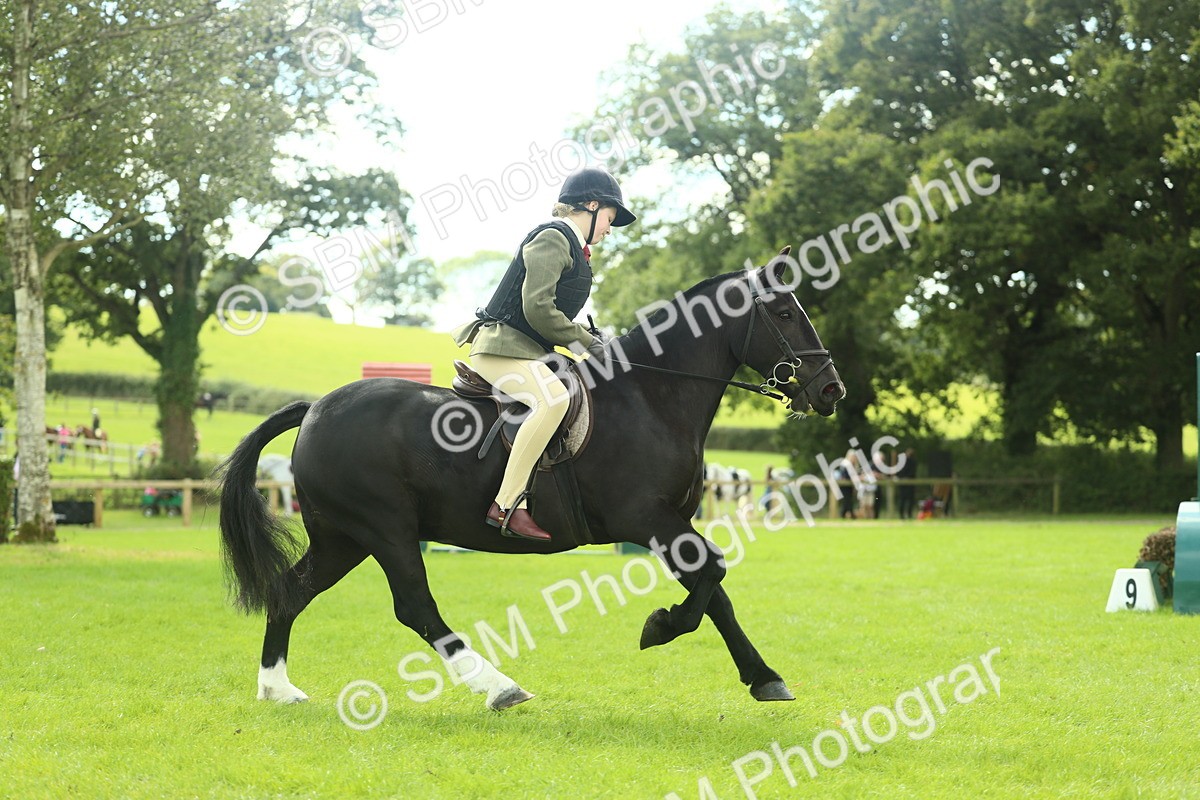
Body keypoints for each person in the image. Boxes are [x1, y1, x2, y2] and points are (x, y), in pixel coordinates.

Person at [451, 167, 636, 541]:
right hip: (500, 348)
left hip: (526, 350)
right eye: (610, 220)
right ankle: (507, 506)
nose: (609, 230)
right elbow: (537, 308)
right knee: (553, 400)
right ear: (591, 205)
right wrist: (587, 343)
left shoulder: (573, 248)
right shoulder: (554, 238)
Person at [897, 447, 917, 519]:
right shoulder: (904, 462)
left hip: (908, 483)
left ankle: (907, 514)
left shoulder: (906, 462)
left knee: (907, 500)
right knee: (904, 500)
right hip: (905, 483)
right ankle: (904, 514)